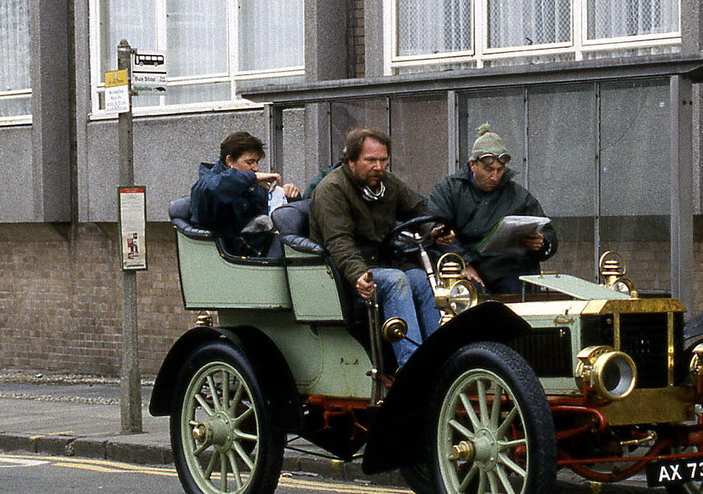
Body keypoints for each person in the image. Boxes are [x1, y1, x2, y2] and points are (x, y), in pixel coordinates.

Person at [309, 129, 450, 368]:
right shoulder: (331, 190)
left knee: (420, 277)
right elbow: (339, 242)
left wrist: (434, 230)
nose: (379, 167)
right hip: (343, 276)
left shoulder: (387, 183)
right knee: (397, 280)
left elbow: (419, 209)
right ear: (351, 162)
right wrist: (357, 274)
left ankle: (443, 362)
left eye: (383, 160)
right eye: (371, 160)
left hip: (383, 264)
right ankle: (411, 368)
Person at [429, 123, 557, 294]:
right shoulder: (449, 190)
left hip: (508, 270)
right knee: (466, 292)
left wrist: (541, 243)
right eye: (489, 170)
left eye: (500, 170)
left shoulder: (518, 196)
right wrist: (464, 264)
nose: (495, 177)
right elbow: (437, 229)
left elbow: (548, 233)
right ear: (473, 165)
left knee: (516, 292)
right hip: (464, 266)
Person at [189, 131, 301, 257]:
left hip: (258, 248)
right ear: (229, 160)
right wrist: (250, 178)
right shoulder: (207, 185)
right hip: (234, 255)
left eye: (257, 162)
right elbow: (213, 190)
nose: (256, 168)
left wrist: (288, 197)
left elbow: (273, 213)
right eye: (250, 162)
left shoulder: (251, 184)